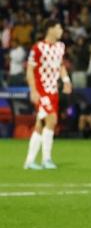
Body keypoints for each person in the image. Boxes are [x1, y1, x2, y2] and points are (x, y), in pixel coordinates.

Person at [24, 20, 71, 170]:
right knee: (52, 119)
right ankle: (46, 159)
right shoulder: (38, 48)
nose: (61, 30)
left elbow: (61, 65)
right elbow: (30, 70)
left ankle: (30, 161)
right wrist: (33, 90)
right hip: (41, 90)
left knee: (41, 123)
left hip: (53, 91)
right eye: (59, 27)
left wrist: (66, 80)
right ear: (50, 29)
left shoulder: (60, 47)